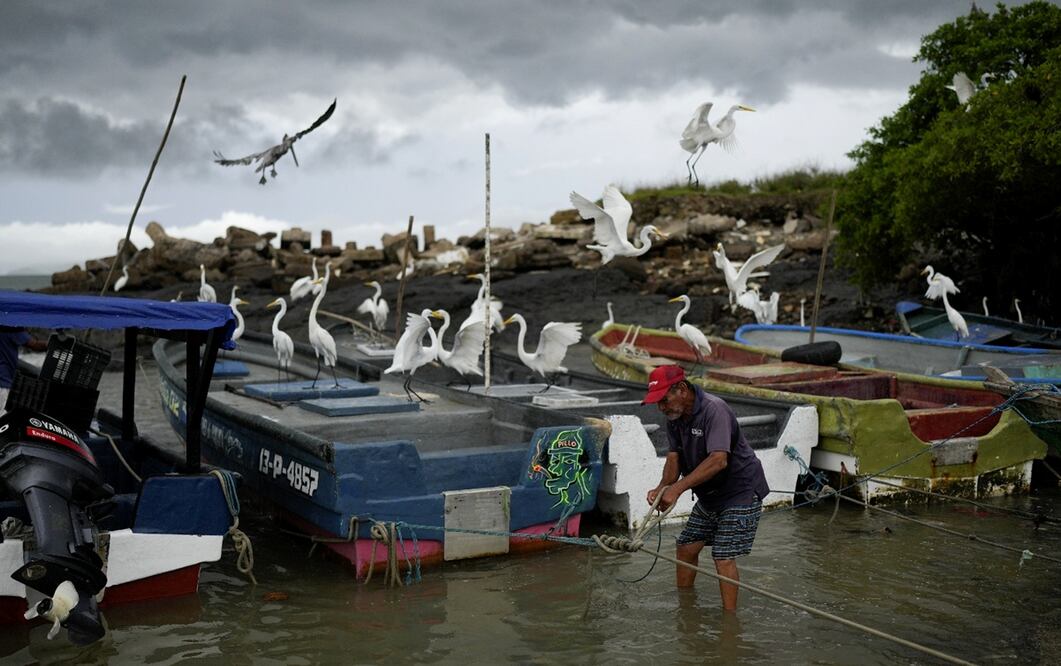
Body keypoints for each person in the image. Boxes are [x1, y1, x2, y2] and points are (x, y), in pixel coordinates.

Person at [642, 364, 769, 610]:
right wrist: (662, 488)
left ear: (681, 389)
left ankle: (729, 625)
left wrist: (677, 489)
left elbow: (718, 460)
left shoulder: (714, 409)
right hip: (710, 493)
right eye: (657, 403)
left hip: (740, 490)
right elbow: (674, 458)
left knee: (722, 556)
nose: (661, 408)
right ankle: (686, 609)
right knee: (686, 547)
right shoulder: (675, 417)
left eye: (664, 400)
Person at [0, 327, 48, 416]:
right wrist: (52, 344)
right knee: (3, 418)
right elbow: (35, 345)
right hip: (3, 382)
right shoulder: (9, 328)